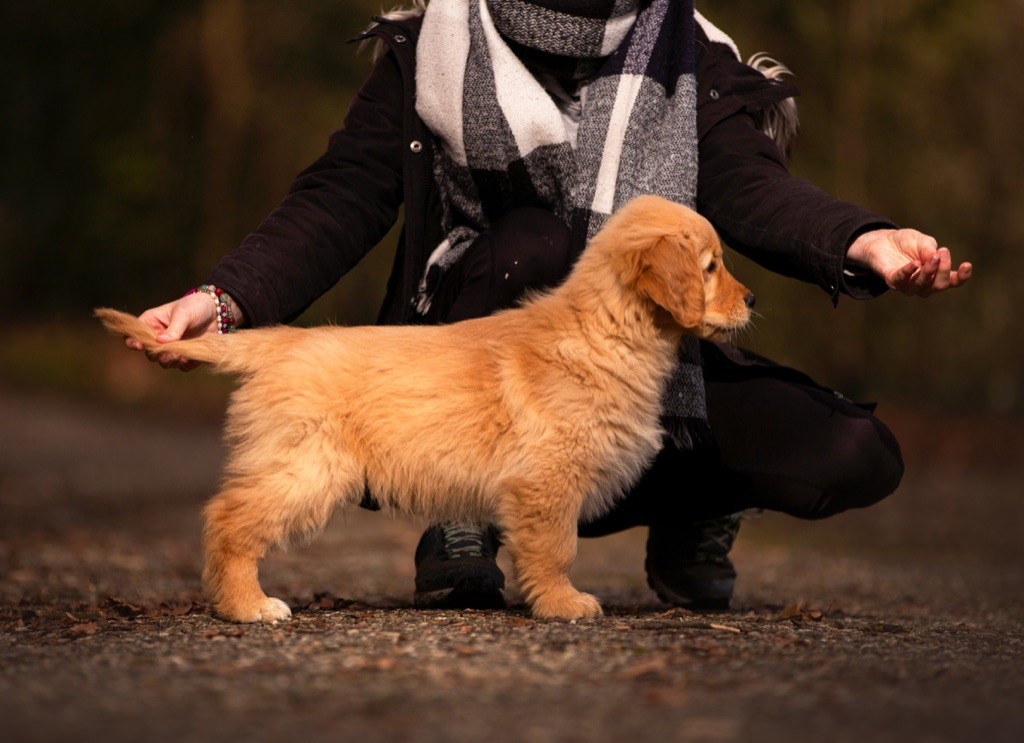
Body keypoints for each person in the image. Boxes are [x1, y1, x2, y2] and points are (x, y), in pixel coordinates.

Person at [126, 0, 971, 611]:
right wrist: (223, 299)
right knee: (535, 244)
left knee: (852, 450)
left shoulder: (688, 51)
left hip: (639, 368)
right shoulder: (430, 43)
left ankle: (690, 506)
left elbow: (753, 188)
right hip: (465, 366)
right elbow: (339, 198)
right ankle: (468, 515)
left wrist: (864, 239)